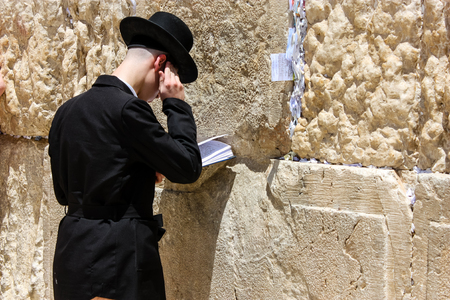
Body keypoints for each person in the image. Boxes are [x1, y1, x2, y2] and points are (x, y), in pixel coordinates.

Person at [48, 12, 202, 300]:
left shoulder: (66, 111)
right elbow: (188, 166)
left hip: (72, 255)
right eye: (164, 84)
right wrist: (176, 105)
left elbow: (63, 192)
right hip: (117, 261)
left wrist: (138, 172)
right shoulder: (128, 110)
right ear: (161, 65)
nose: (157, 96)